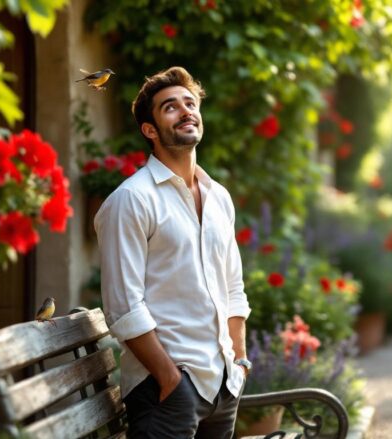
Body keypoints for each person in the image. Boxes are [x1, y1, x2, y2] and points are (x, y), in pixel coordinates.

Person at [95, 66, 251, 438]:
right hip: (166, 388)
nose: (185, 111)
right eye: (170, 107)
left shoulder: (219, 198)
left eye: (190, 103)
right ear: (150, 130)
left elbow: (233, 288)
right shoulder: (132, 200)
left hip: (222, 383)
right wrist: (169, 378)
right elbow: (124, 307)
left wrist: (240, 362)